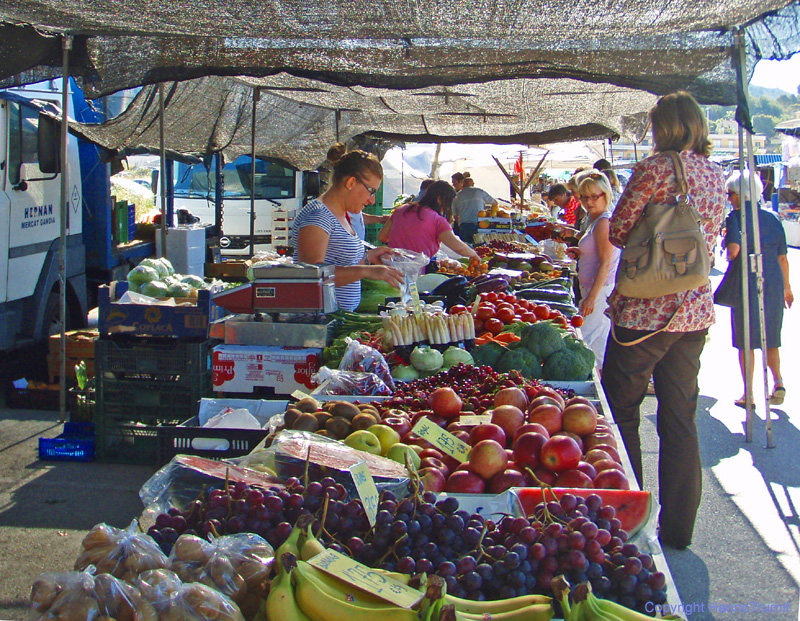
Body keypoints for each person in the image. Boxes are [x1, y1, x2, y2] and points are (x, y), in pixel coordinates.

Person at [600, 91, 726, 550]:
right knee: (680, 420)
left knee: (621, 413)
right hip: (693, 313)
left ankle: (627, 520)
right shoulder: (715, 174)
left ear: (662, 126)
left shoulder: (655, 169)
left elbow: (617, 230)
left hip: (646, 313)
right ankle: (678, 531)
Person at [292, 143, 403, 311]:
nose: (372, 200)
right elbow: (310, 276)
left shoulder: (344, 215)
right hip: (319, 322)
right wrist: (364, 272)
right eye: (371, 191)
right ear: (351, 182)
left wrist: (369, 258)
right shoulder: (317, 216)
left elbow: (339, 265)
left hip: (338, 320)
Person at [723, 170, 793, 408]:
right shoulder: (773, 218)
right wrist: (787, 288)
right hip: (773, 282)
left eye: (730, 193)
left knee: (745, 340)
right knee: (771, 337)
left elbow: (733, 252)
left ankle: (749, 393)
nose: (728, 198)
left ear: (740, 195)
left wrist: (727, 248)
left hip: (747, 281)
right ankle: (779, 382)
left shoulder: (735, 218)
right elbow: (783, 258)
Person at [378, 181, 480, 272]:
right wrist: (473, 255)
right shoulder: (437, 220)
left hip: (391, 269)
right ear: (439, 199)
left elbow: (382, 237)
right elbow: (457, 246)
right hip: (416, 273)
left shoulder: (401, 209)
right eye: (448, 203)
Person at [575, 173, 620, 370]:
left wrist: (592, 297)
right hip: (594, 288)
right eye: (584, 197)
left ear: (606, 195)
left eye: (595, 196)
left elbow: (606, 263)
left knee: (585, 340)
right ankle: (606, 386)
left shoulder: (603, 223)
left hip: (599, 290)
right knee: (597, 342)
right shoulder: (595, 220)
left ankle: (603, 387)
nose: (588, 201)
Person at [452, 175, 497, 244]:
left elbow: (455, 216)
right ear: (473, 184)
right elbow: (494, 203)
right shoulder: (479, 191)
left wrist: (461, 224)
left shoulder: (457, 196)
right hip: (479, 224)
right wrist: (490, 214)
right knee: (480, 249)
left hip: (464, 227)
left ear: (463, 185)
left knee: (466, 249)